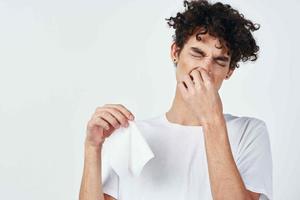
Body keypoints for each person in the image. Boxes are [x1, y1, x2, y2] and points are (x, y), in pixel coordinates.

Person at [79, 0, 273, 200]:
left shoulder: (248, 132)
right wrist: (93, 148)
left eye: (219, 60)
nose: (205, 68)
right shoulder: (135, 136)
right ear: (175, 52)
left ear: (229, 71)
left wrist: (211, 120)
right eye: (197, 53)